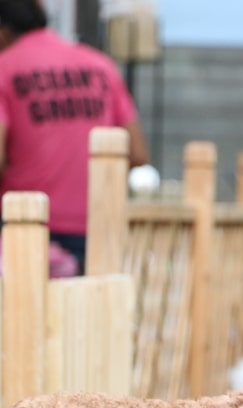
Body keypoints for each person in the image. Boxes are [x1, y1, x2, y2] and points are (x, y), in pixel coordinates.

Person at [0, 0, 149, 274]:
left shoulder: (4, 69)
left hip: (26, 232)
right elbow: (137, 152)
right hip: (99, 229)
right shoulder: (100, 66)